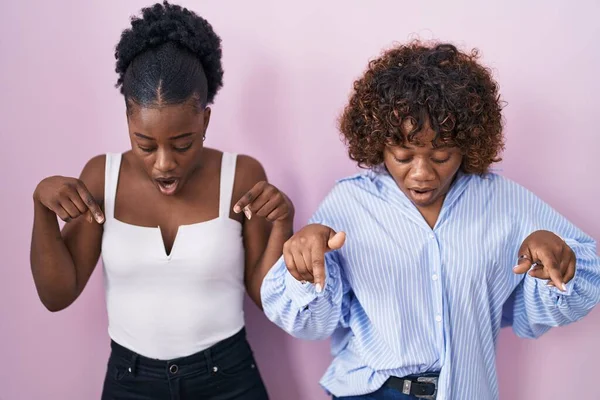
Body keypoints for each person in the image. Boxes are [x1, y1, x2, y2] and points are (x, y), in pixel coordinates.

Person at [260, 41, 600, 400]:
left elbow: (579, 285)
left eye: (441, 155)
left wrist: (558, 261)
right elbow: (310, 324)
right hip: (372, 391)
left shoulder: (504, 201)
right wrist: (300, 272)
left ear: (468, 145)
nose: (421, 174)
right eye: (404, 156)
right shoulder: (350, 203)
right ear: (379, 144)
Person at [30, 2, 293, 399]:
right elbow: (57, 295)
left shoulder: (241, 175)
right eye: (145, 145)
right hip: (130, 382)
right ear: (128, 122)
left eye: (183, 144)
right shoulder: (103, 177)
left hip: (229, 379)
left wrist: (283, 223)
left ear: (204, 120)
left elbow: (266, 297)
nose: (164, 164)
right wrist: (41, 207)